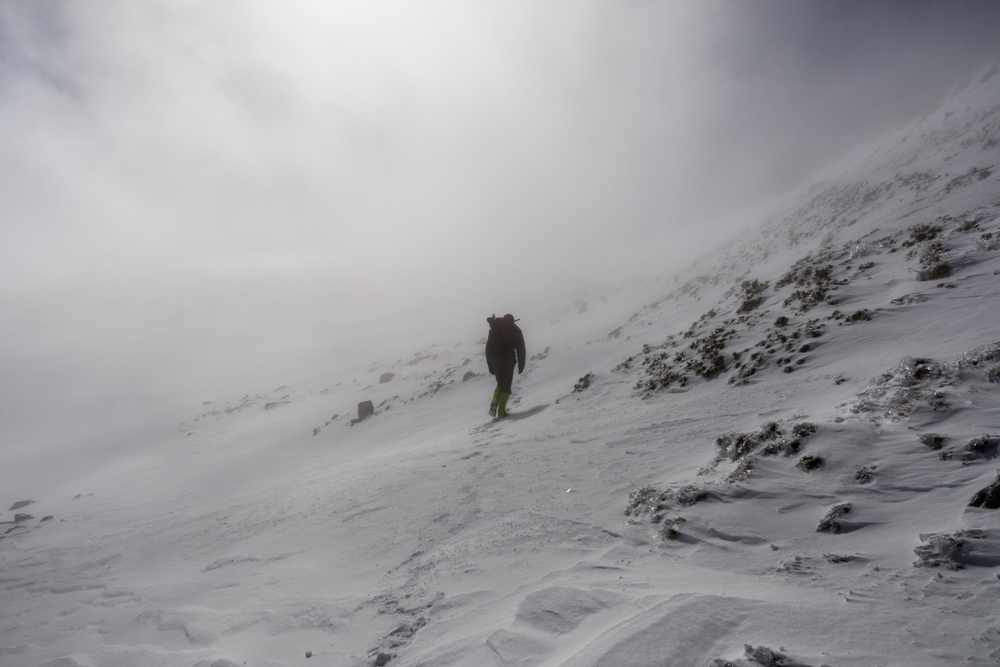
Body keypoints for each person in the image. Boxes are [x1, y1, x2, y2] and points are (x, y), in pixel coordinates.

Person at [485, 313, 526, 417]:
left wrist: (490, 366)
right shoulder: (515, 329)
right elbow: (521, 348)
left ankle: (494, 403)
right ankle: (501, 412)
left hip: (495, 359)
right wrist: (521, 365)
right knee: (506, 385)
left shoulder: (495, 328)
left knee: (500, 383)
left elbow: (488, 349)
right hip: (508, 359)